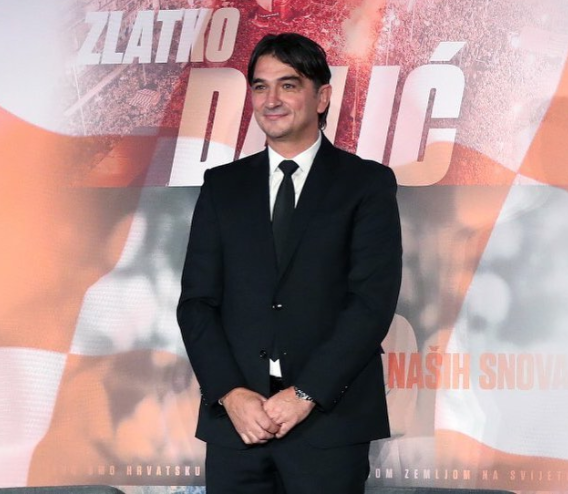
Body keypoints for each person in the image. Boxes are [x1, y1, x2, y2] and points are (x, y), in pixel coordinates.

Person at [177, 32, 402, 494]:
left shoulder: (366, 184)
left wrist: (305, 395)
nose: (271, 100)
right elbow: (196, 303)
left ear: (322, 97)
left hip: (328, 425)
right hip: (238, 428)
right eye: (260, 86)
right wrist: (230, 394)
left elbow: (371, 304)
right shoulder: (222, 186)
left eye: (288, 85)